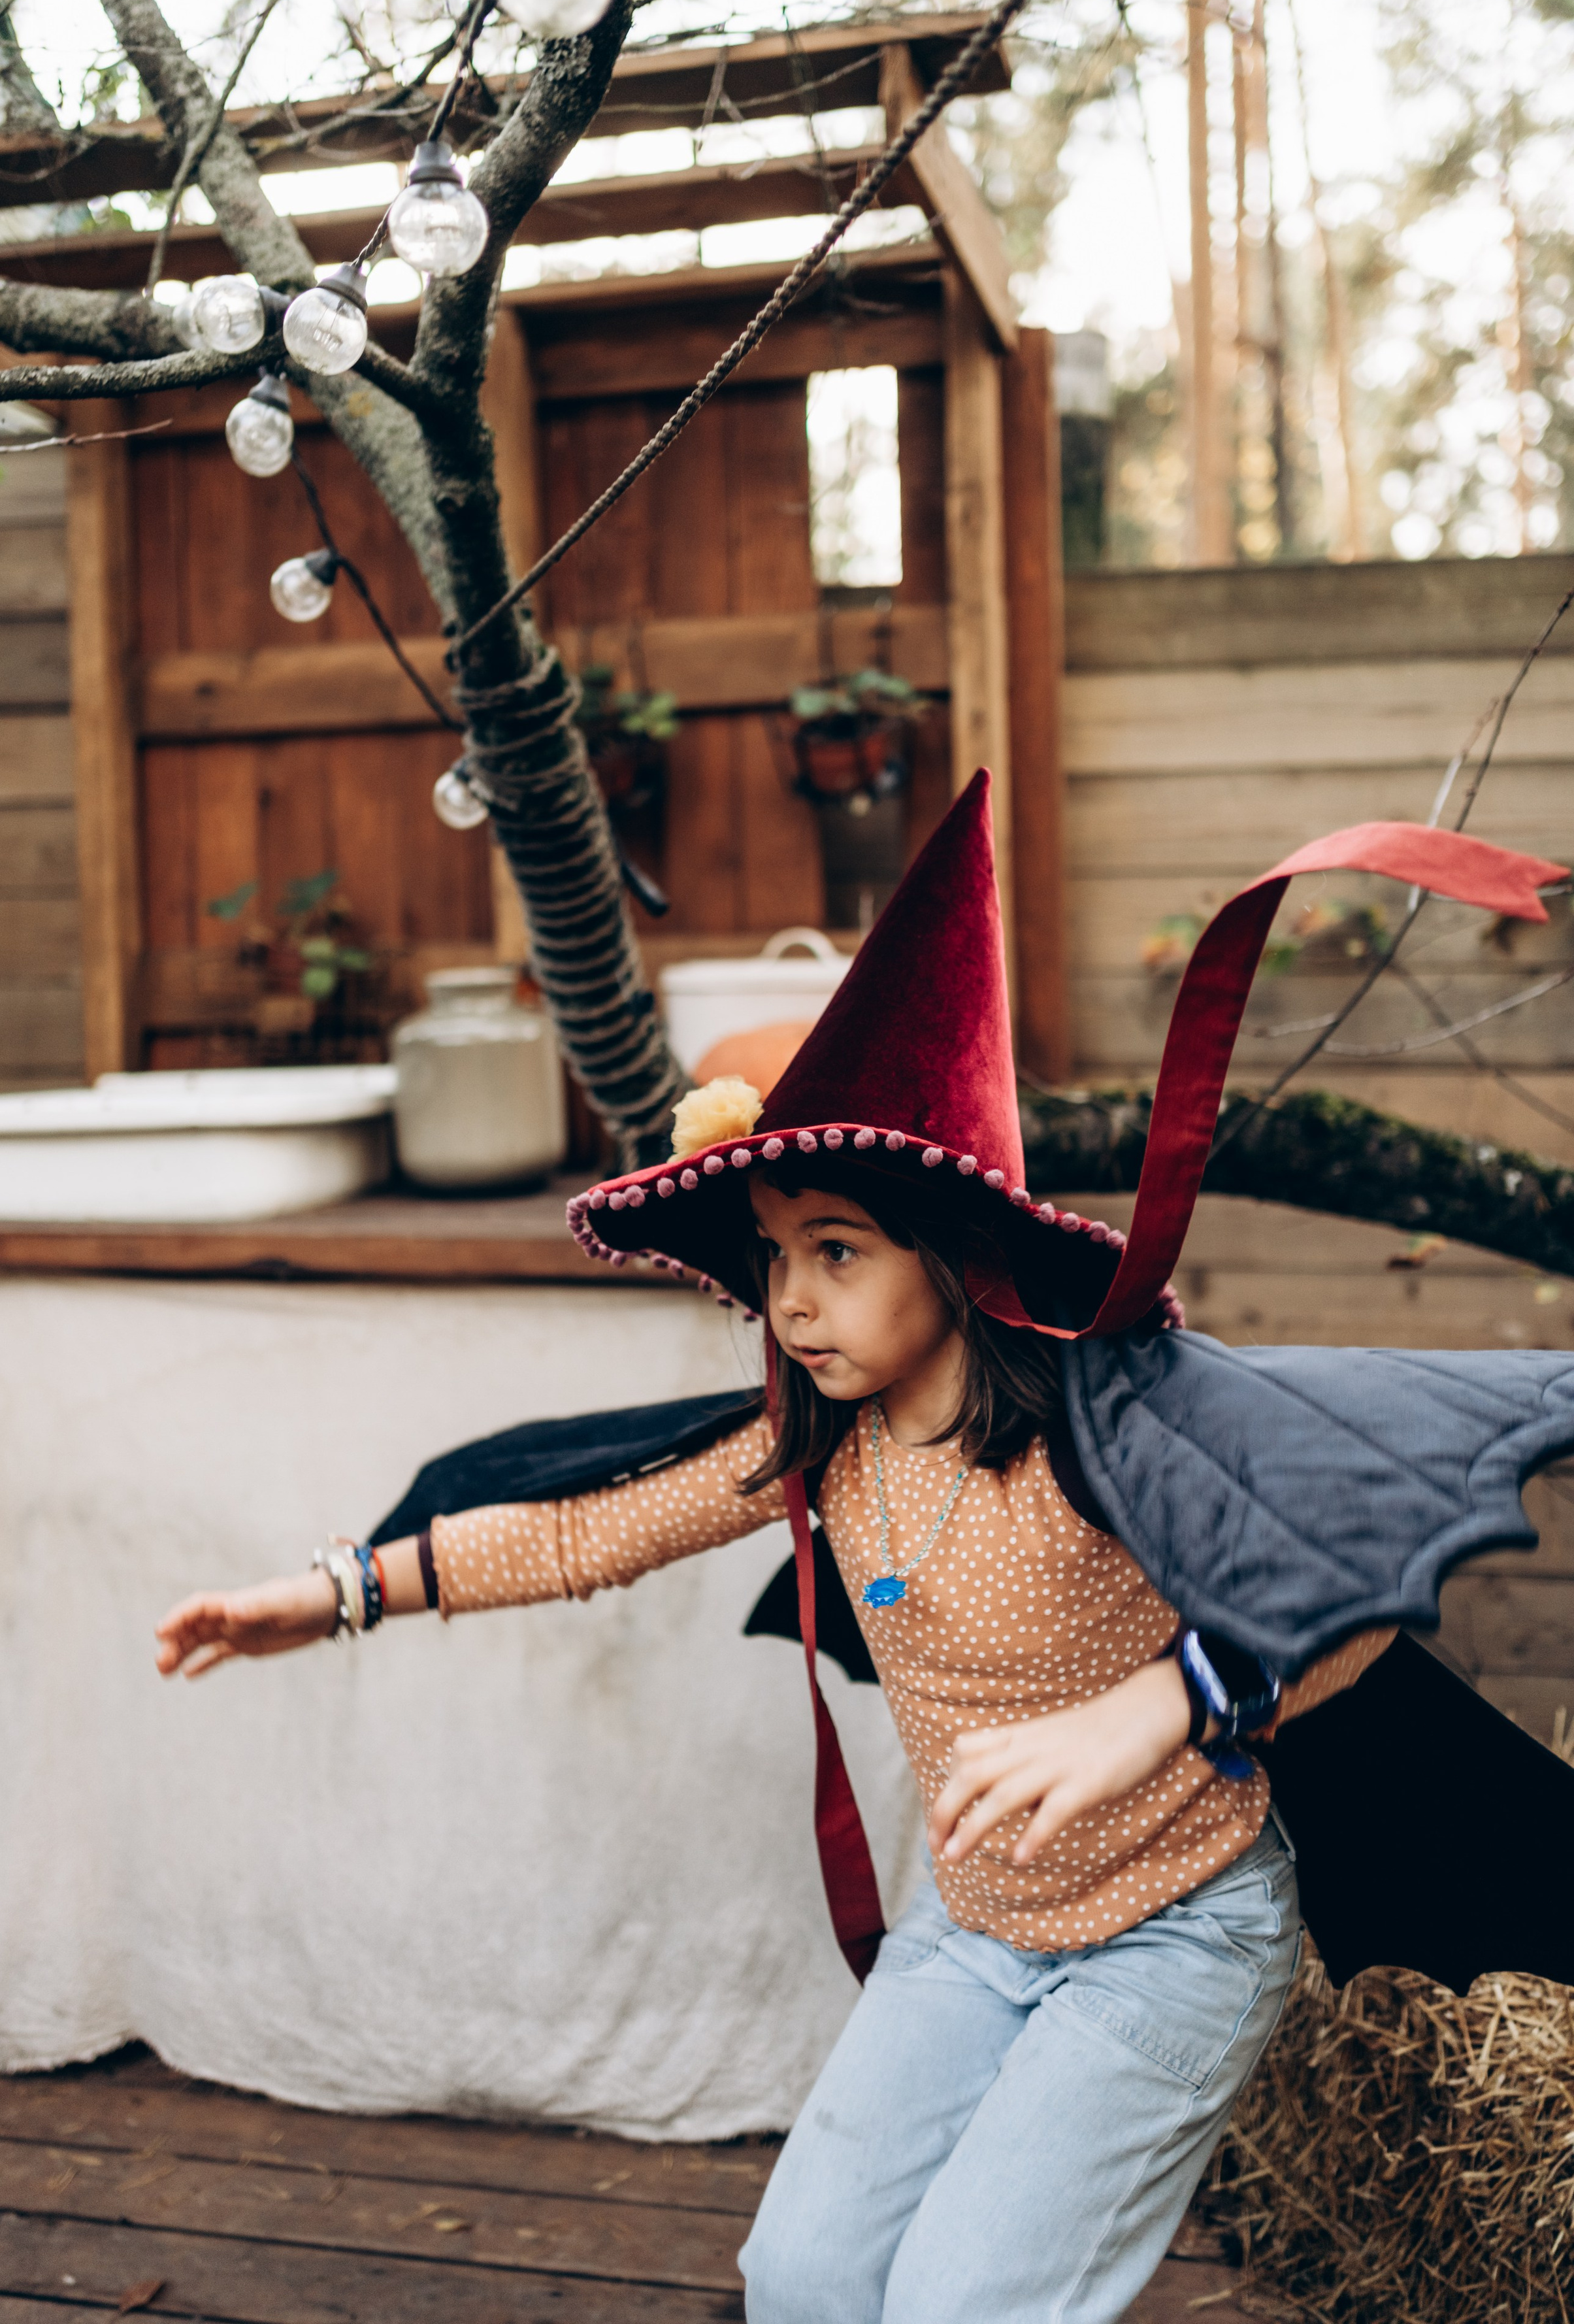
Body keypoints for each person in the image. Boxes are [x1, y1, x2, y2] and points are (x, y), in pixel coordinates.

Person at [156, 775, 1574, 2324]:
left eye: (833, 1251)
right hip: (970, 1932)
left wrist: (1154, 1705)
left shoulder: (1108, 1428)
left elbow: (1343, 1614)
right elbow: (581, 1528)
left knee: (966, 2304)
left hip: (1173, 1939)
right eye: (773, 1258)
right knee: (808, 2282)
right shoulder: (814, 1445)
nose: (791, 1303)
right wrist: (340, 1590)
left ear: (950, 1257)